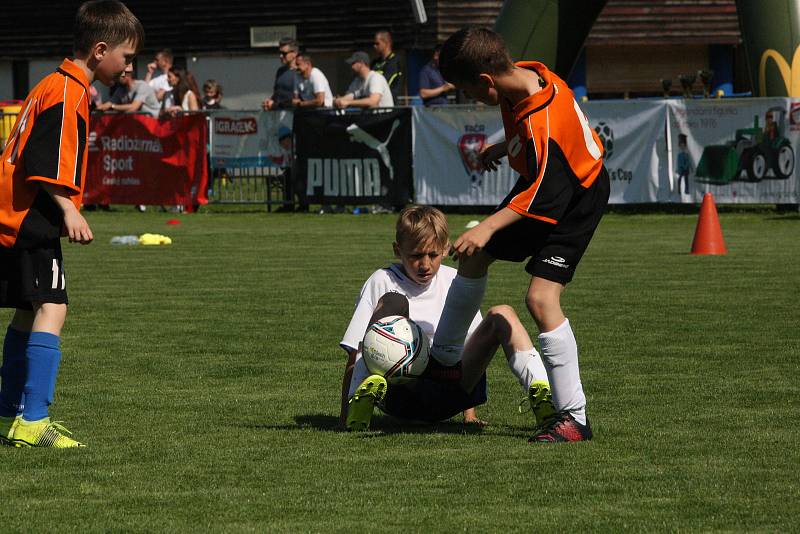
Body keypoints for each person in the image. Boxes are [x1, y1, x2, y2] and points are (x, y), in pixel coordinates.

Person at [434, 28, 611, 443]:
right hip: (547, 180)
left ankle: (574, 421)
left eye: (469, 93)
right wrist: (504, 146)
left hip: (577, 196)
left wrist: (488, 224)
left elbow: (545, 193)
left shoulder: (541, 121)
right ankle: (444, 359)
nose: (473, 101)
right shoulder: (528, 73)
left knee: (540, 298)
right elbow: (535, 139)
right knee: (474, 257)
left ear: (486, 82)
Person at [0, 0, 143, 448]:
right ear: (101, 50)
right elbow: (43, 162)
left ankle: (7, 413)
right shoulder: (68, 91)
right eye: (127, 57)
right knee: (52, 308)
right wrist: (69, 209)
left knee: (28, 310)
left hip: (13, 214)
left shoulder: (53, 83)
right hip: (30, 217)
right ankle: (34, 420)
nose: (129, 67)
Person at [340, 206, 554, 432]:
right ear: (397, 250)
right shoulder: (382, 280)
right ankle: (359, 405)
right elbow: (357, 349)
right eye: (415, 256)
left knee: (503, 313)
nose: (425, 264)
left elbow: (470, 344)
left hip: (449, 388)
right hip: (400, 392)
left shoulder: (454, 280)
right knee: (394, 301)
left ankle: (543, 400)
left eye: (433, 255)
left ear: (445, 249)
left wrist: (469, 414)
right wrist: (345, 418)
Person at [95, 64, 160, 117]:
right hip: (138, 123)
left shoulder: (142, 86)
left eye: (120, 75)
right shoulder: (120, 89)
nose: (117, 78)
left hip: (153, 123)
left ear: (127, 75)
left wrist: (112, 106)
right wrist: (99, 108)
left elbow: (134, 107)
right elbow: (109, 103)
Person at [262, 38, 300, 111]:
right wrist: (269, 102)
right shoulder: (280, 71)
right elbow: (278, 93)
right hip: (279, 116)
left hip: (294, 116)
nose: (281, 56)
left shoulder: (300, 72)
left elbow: (299, 99)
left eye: (284, 53)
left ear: (295, 53)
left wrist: (275, 105)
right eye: (279, 53)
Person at [371, 30, 403, 103]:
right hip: (375, 104)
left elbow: (384, 83)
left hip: (389, 105)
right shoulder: (374, 63)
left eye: (377, 43)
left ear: (387, 43)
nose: (374, 46)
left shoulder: (394, 61)